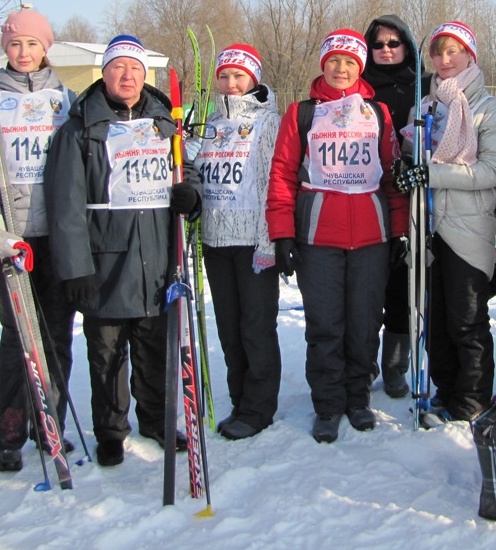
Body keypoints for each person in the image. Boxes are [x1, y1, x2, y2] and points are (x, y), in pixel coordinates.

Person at [45, 34, 202, 467]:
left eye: (135, 68)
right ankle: (111, 430)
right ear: (105, 73)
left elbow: (182, 168)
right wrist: (75, 267)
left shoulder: (163, 120)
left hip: (156, 257)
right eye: (118, 67)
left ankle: (155, 420)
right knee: (107, 356)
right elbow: (66, 204)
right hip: (105, 259)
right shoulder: (81, 128)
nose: (127, 75)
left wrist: (190, 195)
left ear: (144, 74)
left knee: (156, 351)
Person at [267, 29, 407, 443]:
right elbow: (281, 174)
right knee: (325, 325)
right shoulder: (301, 113)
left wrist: (398, 232)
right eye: (333, 61)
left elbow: (392, 176)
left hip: (371, 237)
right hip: (318, 236)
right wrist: (283, 234)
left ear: (359, 67)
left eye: (349, 62)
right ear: (323, 65)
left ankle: (358, 399)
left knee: (365, 324)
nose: (341, 69)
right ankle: (328, 404)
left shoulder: (378, 112)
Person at [0, 10, 78, 472]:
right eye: (15, 45)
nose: (24, 53)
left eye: (33, 44)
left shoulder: (66, 99)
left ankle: (48, 423)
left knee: (56, 335)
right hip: (12, 237)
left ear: (45, 48)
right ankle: (10, 431)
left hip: (57, 237)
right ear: (3, 50)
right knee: (18, 337)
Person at [395, 21, 496, 421]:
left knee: (466, 319)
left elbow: (493, 170)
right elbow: (411, 157)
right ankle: (447, 389)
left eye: (453, 52)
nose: (444, 61)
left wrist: (433, 174)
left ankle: (473, 398)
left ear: (469, 56)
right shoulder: (424, 107)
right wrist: (405, 169)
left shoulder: (487, 109)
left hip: (467, 228)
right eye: (438, 53)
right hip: (426, 227)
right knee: (435, 319)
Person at [195, 44, 282, 440]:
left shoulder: (268, 123)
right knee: (229, 328)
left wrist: (269, 243)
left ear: (254, 79)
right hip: (215, 241)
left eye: (240, 76)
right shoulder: (208, 124)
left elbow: (271, 185)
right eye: (225, 76)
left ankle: (258, 407)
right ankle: (239, 399)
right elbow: (197, 178)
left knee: (255, 327)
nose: (231, 84)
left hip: (252, 242)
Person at [361, 14, 429, 398]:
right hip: (367, 196)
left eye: (393, 43)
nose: (386, 50)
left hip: (411, 197)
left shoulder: (422, 87)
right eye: (378, 44)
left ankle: (395, 365)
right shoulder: (361, 87)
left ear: (406, 47)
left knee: (404, 288)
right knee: (369, 288)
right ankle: (366, 361)